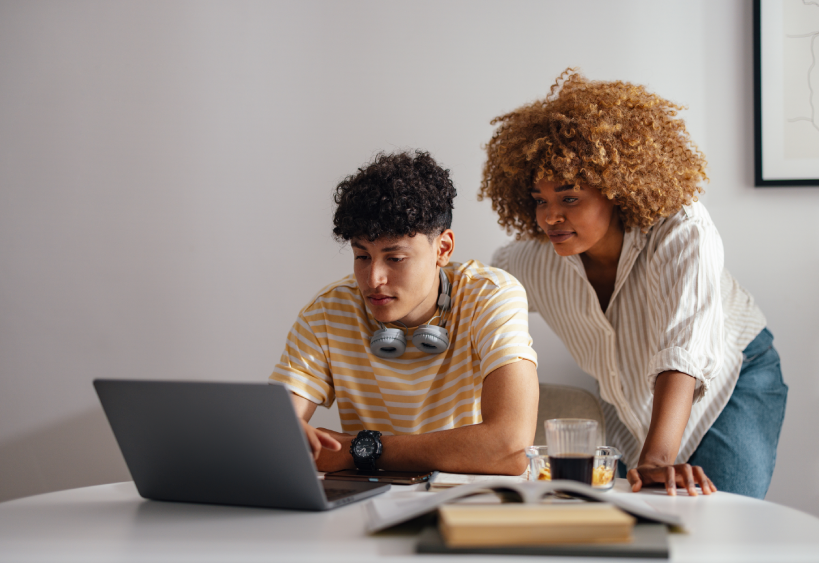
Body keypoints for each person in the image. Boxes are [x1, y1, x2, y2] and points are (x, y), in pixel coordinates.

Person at [479, 69, 787, 498]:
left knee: (717, 521)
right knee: (641, 528)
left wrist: (658, 459)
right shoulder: (527, 261)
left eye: (569, 197)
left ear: (616, 189)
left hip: (732, 380)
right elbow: (477, 305)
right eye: (540, 200)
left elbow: (685, 349)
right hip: (631, 403)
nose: (550, 217)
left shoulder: (681, 230)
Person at [270, 150, 539, 475]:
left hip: (462, 502)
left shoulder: (489, 295)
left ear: (443, 249)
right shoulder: (327, 313)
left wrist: (358, 451)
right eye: (362, 256)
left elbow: (510, 448)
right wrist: (282, 435)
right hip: (365, 504)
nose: (373, 279)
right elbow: (272, 432)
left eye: (394, 258)